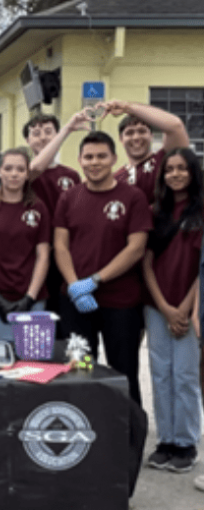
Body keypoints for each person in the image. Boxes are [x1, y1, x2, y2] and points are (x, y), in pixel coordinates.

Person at [54, 131, 151, 405]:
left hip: (121, 302)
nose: (94, 162)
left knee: (124, 372)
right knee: (80, 370)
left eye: (101, 156)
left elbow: (136, 248)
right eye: (88, 157)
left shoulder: (133, 197)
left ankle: (129, 437)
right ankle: (88, 432)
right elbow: (61, 246)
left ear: (113, 159)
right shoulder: (69, 197)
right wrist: (75, 285)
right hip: (75, 301)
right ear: (80, 161)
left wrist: (94, 280)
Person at [142, 148, 203, 473]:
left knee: (185, 376)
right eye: (170, 169)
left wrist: (184, 307)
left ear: (193, 172)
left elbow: (202, 268)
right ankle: (165, 440)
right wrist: (165, 307)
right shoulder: (155, 212)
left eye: (182, 168)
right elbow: (147, 264)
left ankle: (186, 442)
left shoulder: (201, 212)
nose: (176, 174)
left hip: (190, 306)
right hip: (158, 306)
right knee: (161, 374)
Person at [0, 148, 50, 341]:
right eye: (8, 168)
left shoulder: (38, 208)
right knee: (3, 362)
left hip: (32, 299)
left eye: (20, 169)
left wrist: (30, 297)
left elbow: (43, 255)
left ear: (27, 173)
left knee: (31, 362)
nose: (14, 174)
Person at [24, 112, 85, 331]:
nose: (42, 138)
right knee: (39, 320)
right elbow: (36, 168)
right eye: (36, 133)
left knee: (66, 320)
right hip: (35, 258)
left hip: (66, 256)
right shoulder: (24, 174)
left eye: (49, 132)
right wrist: (68, 129)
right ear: (27, 141)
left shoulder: (72, 175)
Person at [101, 100, 189, 204]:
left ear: (151, 136)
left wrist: (128, 107)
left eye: (142, 131)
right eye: (129, 133)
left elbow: (176, 126)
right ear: (121, 139)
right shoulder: (116, 179)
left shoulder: (165, 160)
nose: (136, 137)